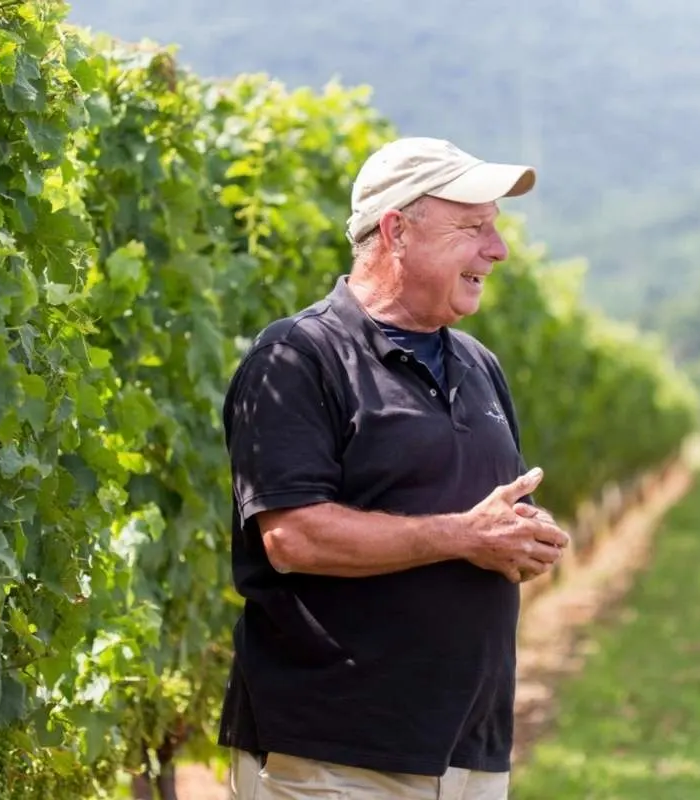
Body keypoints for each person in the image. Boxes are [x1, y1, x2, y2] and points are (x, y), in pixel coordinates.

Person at [218, 136, 572, 800]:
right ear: (396, 231)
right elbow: (293, 537)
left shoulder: (478, 364)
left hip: (469, 746)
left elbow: (486, 518)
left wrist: (522, 537)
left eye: (495, 229)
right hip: (334, 753)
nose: (496, 250)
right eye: (474, 228)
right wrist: (463, 537)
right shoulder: (299, 358)